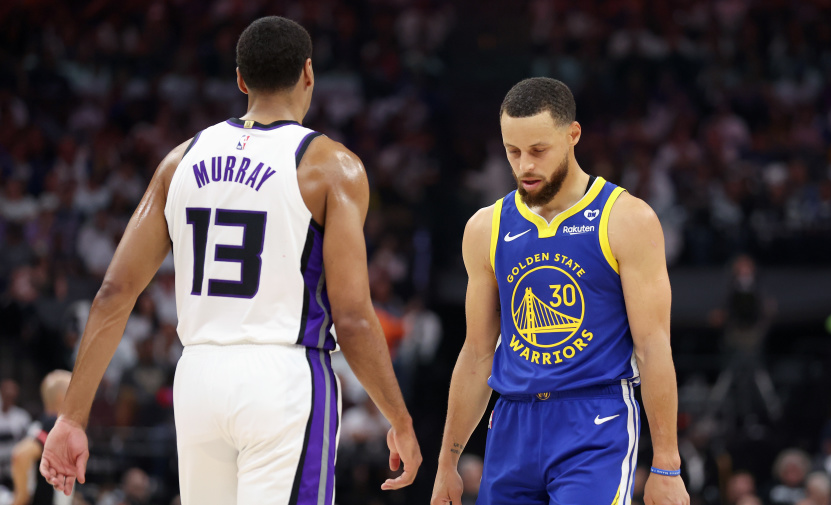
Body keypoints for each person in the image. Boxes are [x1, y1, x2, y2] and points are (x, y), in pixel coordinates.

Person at [38, 16, 421, 505]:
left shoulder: (179, 161)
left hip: (197, 377)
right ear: (308, 73)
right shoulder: (331, 167)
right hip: (282, 377)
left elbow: (114, 292)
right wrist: (400, 419)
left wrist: (71, 417)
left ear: (240, 80)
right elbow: (351, 317)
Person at [431, 77, 688, 505]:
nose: (524, 166)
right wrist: (447, 463)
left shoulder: (627, 219)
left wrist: (666, 465)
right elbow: (477, 354)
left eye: (537, 151)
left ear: (573, 136)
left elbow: (654, 347)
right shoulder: (485, 229)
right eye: (512, 152)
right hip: (511, 420)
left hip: (595, 419)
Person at [10, 370, 72, 505]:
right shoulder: (54, 424)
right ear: (62, 397)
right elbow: (21, 455)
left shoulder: (42, 423)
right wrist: (20, 498)